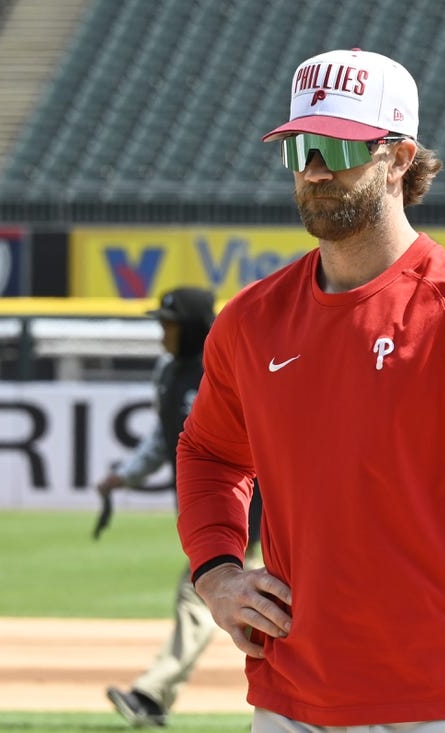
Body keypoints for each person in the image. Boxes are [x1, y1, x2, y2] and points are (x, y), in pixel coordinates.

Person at [174, 49, 445, 733]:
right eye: (298, 147)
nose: (314, 169)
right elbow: (209, 453)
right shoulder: (250, 320)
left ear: (398, 157)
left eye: (336, 146)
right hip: (290, 698)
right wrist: (215, 570)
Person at [96, 286, 262, 728]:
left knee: (204, 596)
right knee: (263, 607)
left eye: (168, 325)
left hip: (255, 511)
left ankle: (153, 694)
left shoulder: (227, 360)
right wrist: (125, 475)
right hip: (211, 514)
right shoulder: (168, 373)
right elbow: (163, 436)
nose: (161, 333)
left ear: (189, 329)